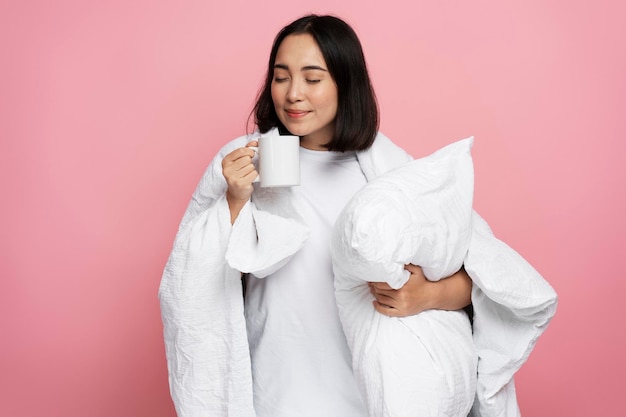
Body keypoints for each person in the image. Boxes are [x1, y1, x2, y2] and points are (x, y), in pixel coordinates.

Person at [159, 13, 557, 417]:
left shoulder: (391, 173)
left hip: (368, 393)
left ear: (345, 84)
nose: (293, 93)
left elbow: (485, 278)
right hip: (277, 386)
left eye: (313, 79)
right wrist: (235, 200)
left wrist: (428, 294)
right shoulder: (245, 161)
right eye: (281, 77)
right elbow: (197, 285)